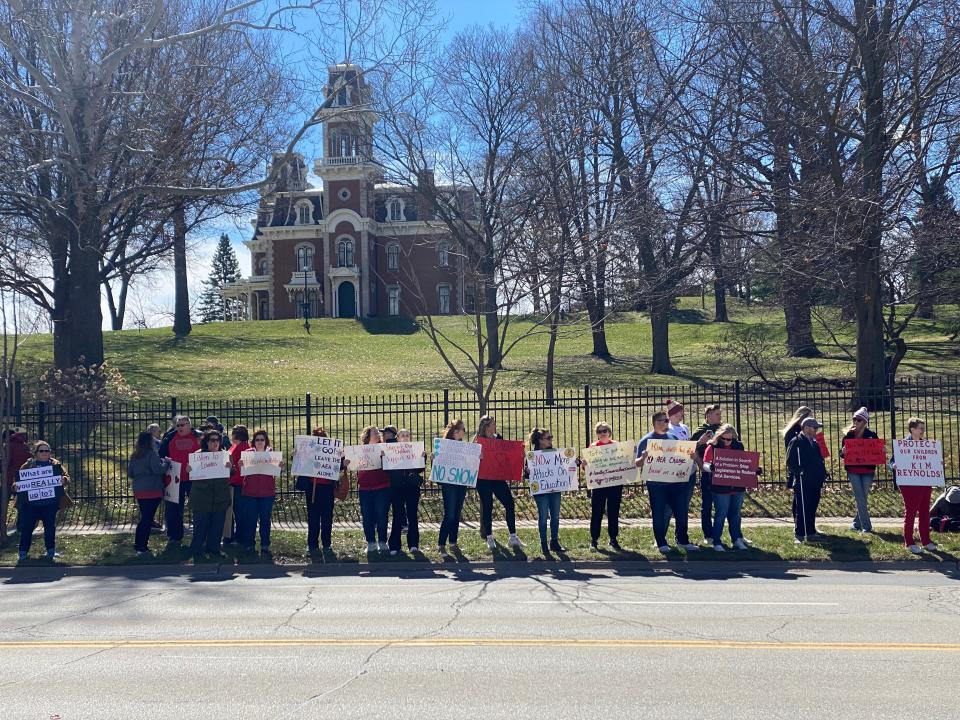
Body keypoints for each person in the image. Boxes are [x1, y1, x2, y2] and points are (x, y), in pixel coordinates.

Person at [637, 411, 700, 554]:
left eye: (666, 420)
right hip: (656, 485)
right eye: (661, 421)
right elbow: (637, 464)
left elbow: (680, 458)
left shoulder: (673, 437)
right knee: (659, 513)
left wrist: (691, 456)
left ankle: (683, 541)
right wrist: (642, 458)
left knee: (681, 512)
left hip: (675, 483)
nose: (664, 423)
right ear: (654, 423)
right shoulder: (646, 440)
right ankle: (661, 542)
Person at [474, 415, 522, 550]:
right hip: (483, 479)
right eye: (493, 424)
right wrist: (478, 456)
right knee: (487, 507)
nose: (495, 426)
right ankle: (489, 538)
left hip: (497, 478)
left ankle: (513, 536)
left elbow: (506, 455)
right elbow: (471, 460)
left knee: (509, 503)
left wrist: (518, 453)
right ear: (487, 427)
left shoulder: (498, 439)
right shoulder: (478, 441)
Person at [16, 441, 69, 560]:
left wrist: (64, 479)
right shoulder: (28, 465)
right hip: (30, 504)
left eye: (47, 450)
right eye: (42, 451)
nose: (45, 453)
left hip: (50, 503)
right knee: (27, 527)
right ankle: (23, 552)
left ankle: (51, 551)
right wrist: (16, 486)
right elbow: (18, 481)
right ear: (36, 453)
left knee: (50, 527)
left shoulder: (56, 464)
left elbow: (66, 476)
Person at [891, 417, 938, 554]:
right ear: (912, 429)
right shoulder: (904, 445)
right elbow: (891, 461)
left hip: (924, 481)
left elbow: (931, 461)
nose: (923, 430)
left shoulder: (926, 445)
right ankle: (909, 542)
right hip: (908, 483)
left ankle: (926, 541)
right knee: (911, 511)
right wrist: (893, 466)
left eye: (923, 428)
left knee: (924, 511)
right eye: (920, 428)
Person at [703, 424, 752, 551]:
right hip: (719, 487)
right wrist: (711, 468)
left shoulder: (738, 446)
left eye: (728, 439)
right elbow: (705, 465)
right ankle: (716, 541)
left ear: (733, 437)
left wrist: (753, 470)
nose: (725, 441)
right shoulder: (712, 446)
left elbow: (744, 463)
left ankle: (736, 539)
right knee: (721, 514)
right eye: (723, 439)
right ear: (719, 436)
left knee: (735, 515)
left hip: (737, 486)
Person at [187, 428, 232, 561]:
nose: (215, 443)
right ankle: (197, 549)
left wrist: (231, 468)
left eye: (218, 440)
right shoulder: (198, 456)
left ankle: (214, 549)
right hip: (202, 497)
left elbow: (232, 473)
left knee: (217, 525)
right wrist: (189, 469)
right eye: (212, 440)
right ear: (206, 442)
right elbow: (191, 473)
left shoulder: (225, 455)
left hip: (220, 496)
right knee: (200, 525)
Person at [297, 427, 343, 556]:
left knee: (327, 518)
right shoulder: (309, 451)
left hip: (327, 489)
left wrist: (342, 461)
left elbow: (337, 465)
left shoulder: (332, 451)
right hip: (312, 488)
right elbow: (300, 462)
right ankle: (312, 544)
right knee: (313, 518)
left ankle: (327, 544)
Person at [159, 415, 201, 544]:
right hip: (174, 478)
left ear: (189, 425)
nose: (180, 427)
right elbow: (161, 455)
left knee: (198, 507)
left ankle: (200, 535)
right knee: (173, 509)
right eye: (178, 425)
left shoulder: (199, 437)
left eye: (183, 425)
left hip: (195, 478)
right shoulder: (169, 437)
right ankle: (175, 536)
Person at [128, 431, 170, 556]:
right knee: (147, 519)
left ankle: (138, 543)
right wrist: (166, 463)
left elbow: (130, 473)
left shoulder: (135, 455)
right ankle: (142, 546)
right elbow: (158, 469)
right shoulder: (152, 454)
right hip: (152, 489)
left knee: (145, 518)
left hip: (139, 490)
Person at [786, 417, 827, 544]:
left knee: (812, 507)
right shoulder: (796, 441)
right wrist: (800, 471)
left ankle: (810, 532)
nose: (816, 430)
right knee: (802, 508)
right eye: (815, 428)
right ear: (807, 428)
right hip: (803, 480)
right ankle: (799, 534)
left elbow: (819, 460)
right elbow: (790, 461)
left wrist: (823, 473)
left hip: (815, 480)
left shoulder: (814, 442)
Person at [350, 425, 390, 553]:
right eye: (374, 433)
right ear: (367, 436)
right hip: (365, 489)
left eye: (378, 433)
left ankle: (383, 541)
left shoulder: (385, 448)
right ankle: (371, 542)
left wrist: (385, 457)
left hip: (382, 487)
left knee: (382, 515)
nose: (378, 434)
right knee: (367, 516)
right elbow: (353, 465)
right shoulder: (360, 450)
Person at [840, 407, 880, 534]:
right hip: (853, 470)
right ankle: (867, 527)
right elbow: (841, 454)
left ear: (864, 422)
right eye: (854, 419)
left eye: (858, 420)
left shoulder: (872, 435)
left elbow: (877, 452)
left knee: (863, 497)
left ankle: (857, 523)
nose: (855, 422)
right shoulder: (848, 435)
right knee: (859, 496)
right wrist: (843, 452)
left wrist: (882, 450)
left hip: (868, 470)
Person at [238, 429, 278, 554]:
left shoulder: (271, 454)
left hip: (267, 493)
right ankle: (249, 543)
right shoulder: (248, 453)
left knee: (265, 519)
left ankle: (265, 544)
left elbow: (275, 472)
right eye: (257, 440)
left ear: (266, 441)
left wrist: (280, 467)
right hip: (250, 492)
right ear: (253, 442)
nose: (260, 442)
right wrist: (240, 465)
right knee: (250, 519)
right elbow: (242, 471)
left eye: (262, 439)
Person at [527, 427, 566, 555]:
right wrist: (527, 472)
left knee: (555, 516)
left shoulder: (556, 453)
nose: (550, 440)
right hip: (541, 491)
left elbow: (565, 466)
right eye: (548, 438)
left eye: (551, 437)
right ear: (539, 440)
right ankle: (543, 543)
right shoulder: (533, 456)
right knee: (543, 516)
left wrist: (573, 462)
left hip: (555, 489)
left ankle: (554, 541)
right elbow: (527, 475)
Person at [585, 421, 623, 551]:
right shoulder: (593, 447)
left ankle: (613, 538)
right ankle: (594, 539)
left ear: (609, 432)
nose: (602, 433)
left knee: (613, 511)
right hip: (599, 484)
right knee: (597, 512)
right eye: (599, 431)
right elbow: (587, 466)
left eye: (604, 431)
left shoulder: (617, 445)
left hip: (615, 483)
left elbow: (624, 462)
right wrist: (584, 463)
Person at [386, 428, 423, 555]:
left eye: (407, 435)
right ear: (397, 438)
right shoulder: (391, 451)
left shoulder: (415, 449)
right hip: (396, 488)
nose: (405, 437)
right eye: (402, 435)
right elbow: (387, 469)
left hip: (412, 488)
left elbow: (420, 469)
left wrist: (422, 457)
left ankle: (413, 544)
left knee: (412, 515)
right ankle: (394, 546)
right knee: (397, 515)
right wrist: (384, 458)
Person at [690, 404, 722, 544]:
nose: (719, 416)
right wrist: (700, 464)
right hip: (708, 472)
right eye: (716, 414)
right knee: (707, 504)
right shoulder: (701, 431)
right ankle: (708, 534)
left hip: (723, 473)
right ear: (708, 416)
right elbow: (691, 449)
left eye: (720, 414)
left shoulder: (723, 429)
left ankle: (726, 534)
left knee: (723, 505)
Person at [437, 419, 468, 556]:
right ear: (456, 432)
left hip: (461, 483)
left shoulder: (465, 447)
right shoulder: (444, 446)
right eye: (463, 429)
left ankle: (453, 542)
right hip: (449, 485)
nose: (464, 432)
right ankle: (441, 544)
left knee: (456, 514)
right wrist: (434, 459)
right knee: (449, 515)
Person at [224, 425, 250, 545]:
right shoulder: (236, 446)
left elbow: (242, 469)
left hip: (238, 483)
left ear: (237, 435)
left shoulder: (243, 448)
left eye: (233, 433)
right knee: (235, 511)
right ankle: (234, 535)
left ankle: (240, 537)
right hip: (233, 482)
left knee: (239, 512)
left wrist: (232, 470)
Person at [5, 427, 32, 535]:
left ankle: (3, 526)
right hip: (22, 479)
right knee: (22, 503)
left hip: (9, 478)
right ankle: (20, 527)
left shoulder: (8, 445)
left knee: (4, 503)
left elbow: (6, 461)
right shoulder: (25, 447)